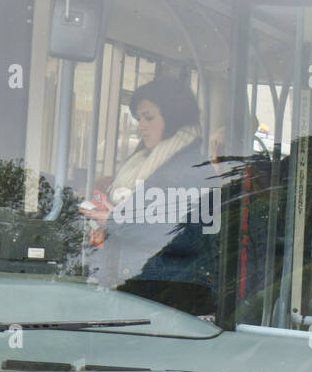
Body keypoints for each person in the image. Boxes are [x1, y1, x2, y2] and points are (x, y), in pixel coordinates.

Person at [80, 77, 218, 313]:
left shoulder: (189, 168)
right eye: (138, 118)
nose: (140, 126)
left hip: (162, 295)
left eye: (149, 117)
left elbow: (182, 232)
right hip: (139, 287)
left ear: (173, 116)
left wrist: (115, 221)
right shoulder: (151, 159)